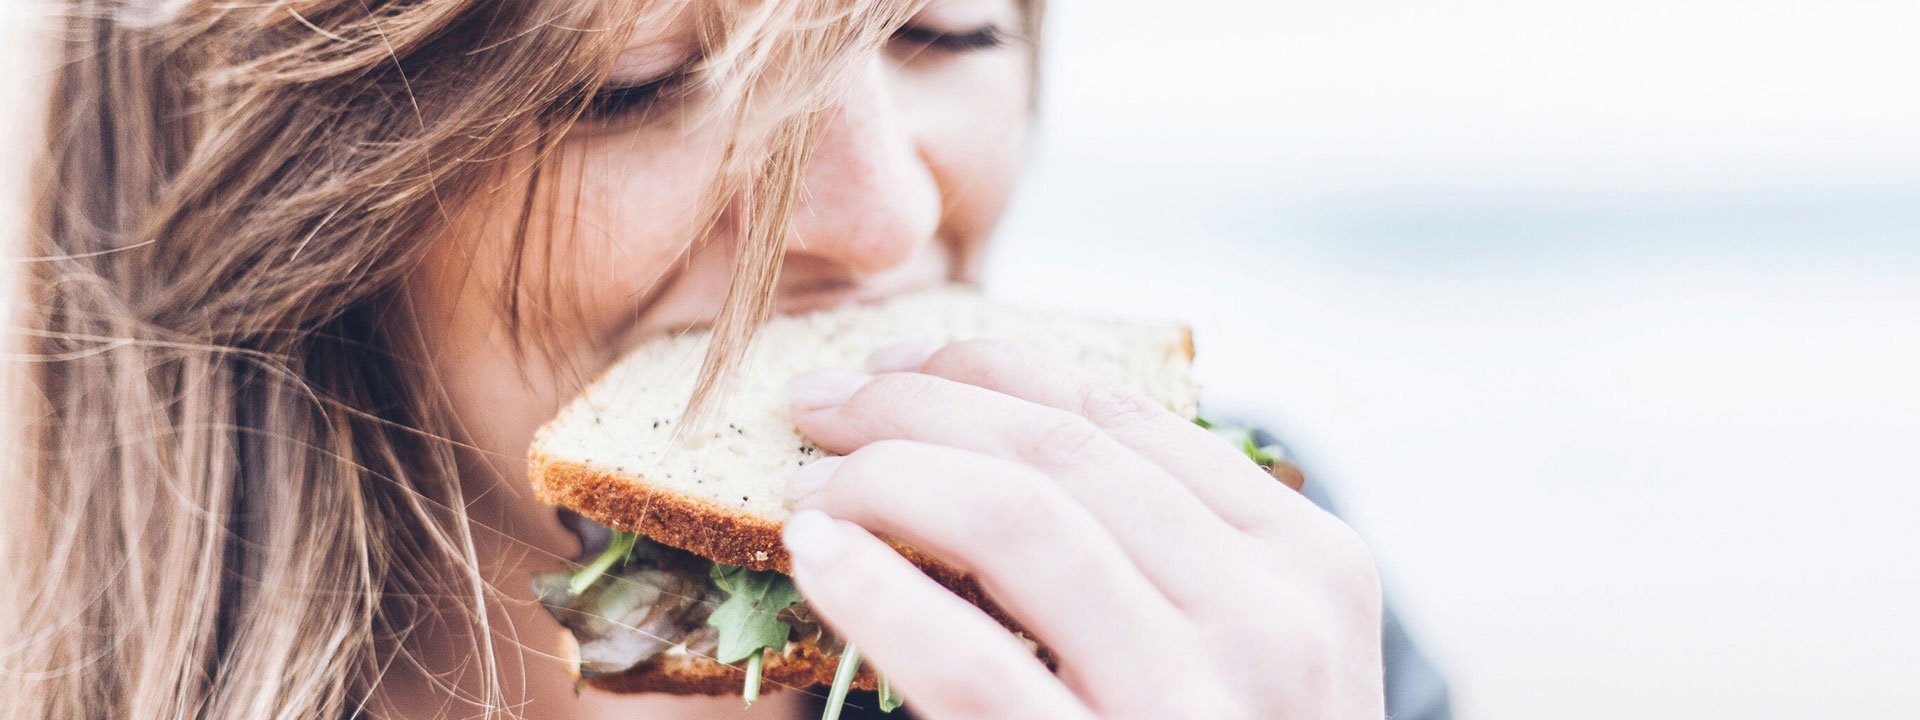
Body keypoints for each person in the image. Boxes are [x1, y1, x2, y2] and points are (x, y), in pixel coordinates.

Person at [1, 0, 1446, 718]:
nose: (887, 219)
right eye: (636, 84)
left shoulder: (1247, 611)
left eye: (943, 29)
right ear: (292, 195)